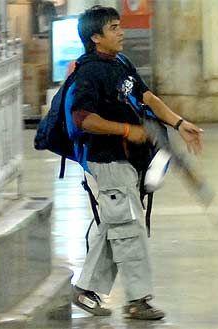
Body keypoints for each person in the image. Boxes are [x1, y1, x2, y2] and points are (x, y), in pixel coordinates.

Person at [69, 5, 203, 320]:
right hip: (108, 161)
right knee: (129, 228)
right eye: (114, 27)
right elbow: (83, 119)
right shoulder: (88, 72)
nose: (122, 32)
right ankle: (137, 300)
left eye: (119, 26)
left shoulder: (121, 63)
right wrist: (128, 130)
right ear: (96, 37)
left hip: (129, 162)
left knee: (116, 225)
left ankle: (85, 290)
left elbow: (147, 97)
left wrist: (179, 123)